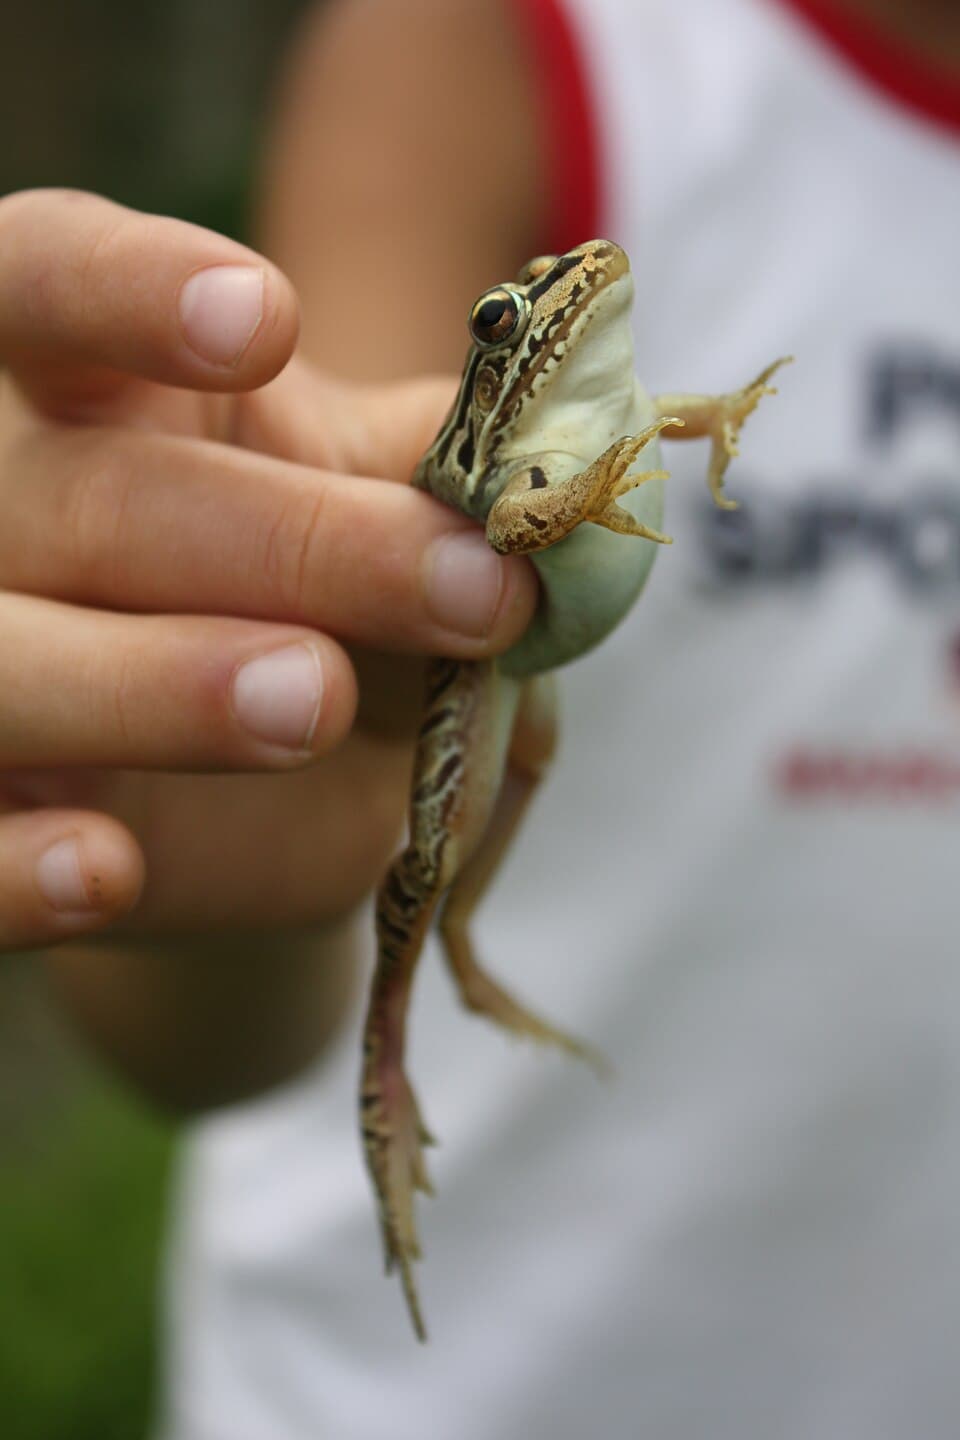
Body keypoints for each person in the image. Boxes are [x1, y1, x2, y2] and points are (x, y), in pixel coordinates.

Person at [4, 0, 960, 1435]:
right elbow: (204, 995)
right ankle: (420, 1098)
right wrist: (214, 756)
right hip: (459, 1395)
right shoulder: (510, 41)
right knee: (428, 866)